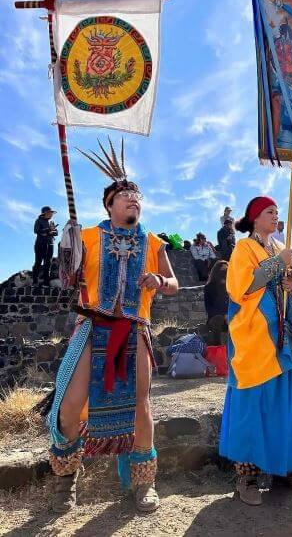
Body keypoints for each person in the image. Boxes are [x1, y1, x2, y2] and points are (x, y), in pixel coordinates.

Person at [47, 139, 179, 513]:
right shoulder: (87, 236)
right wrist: (68, 245)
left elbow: (173, 284)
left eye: (137, 196)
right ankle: (65, 479)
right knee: (71, 405)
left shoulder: (154, 242)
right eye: (125, 195)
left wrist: (158, 280)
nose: (133, 200)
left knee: (141, 406)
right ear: (109, 204)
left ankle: (143, 484)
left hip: (133, 329)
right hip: (93, 326)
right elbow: (67, 278)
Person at [219, 196, 292, 506]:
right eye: (269, 212)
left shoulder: (279, 247)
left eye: (277, 211)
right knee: (253, 402)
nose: (275, 216)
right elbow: (243, 287)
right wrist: (279, 263)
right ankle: (246, 475)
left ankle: (284, 468)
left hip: (285, 335)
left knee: (286, 400)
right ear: (254, 217)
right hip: (256, 335)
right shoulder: (243, 248)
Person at [204, 260, 229, 345]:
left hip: (231, 318)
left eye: (227, 271)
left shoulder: (232, 287)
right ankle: (217, 347)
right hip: (216, 320)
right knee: (218, 319)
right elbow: (209, 309)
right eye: (223, 271)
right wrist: (224, 314)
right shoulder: (209, 288)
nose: (225, 274)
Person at [32, 206, 58, 286]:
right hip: (40, 244)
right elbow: (36, 231)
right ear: (45, 213)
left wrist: (52, 231)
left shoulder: (51, 222)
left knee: (48, 263)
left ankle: (46, 281)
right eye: (50, 213)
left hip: (50, 244)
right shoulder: (39, 221)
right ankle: (35, 281)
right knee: (38, 262)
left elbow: (56, 233)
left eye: (51, 213)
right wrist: (48, 230)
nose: (51, 214)